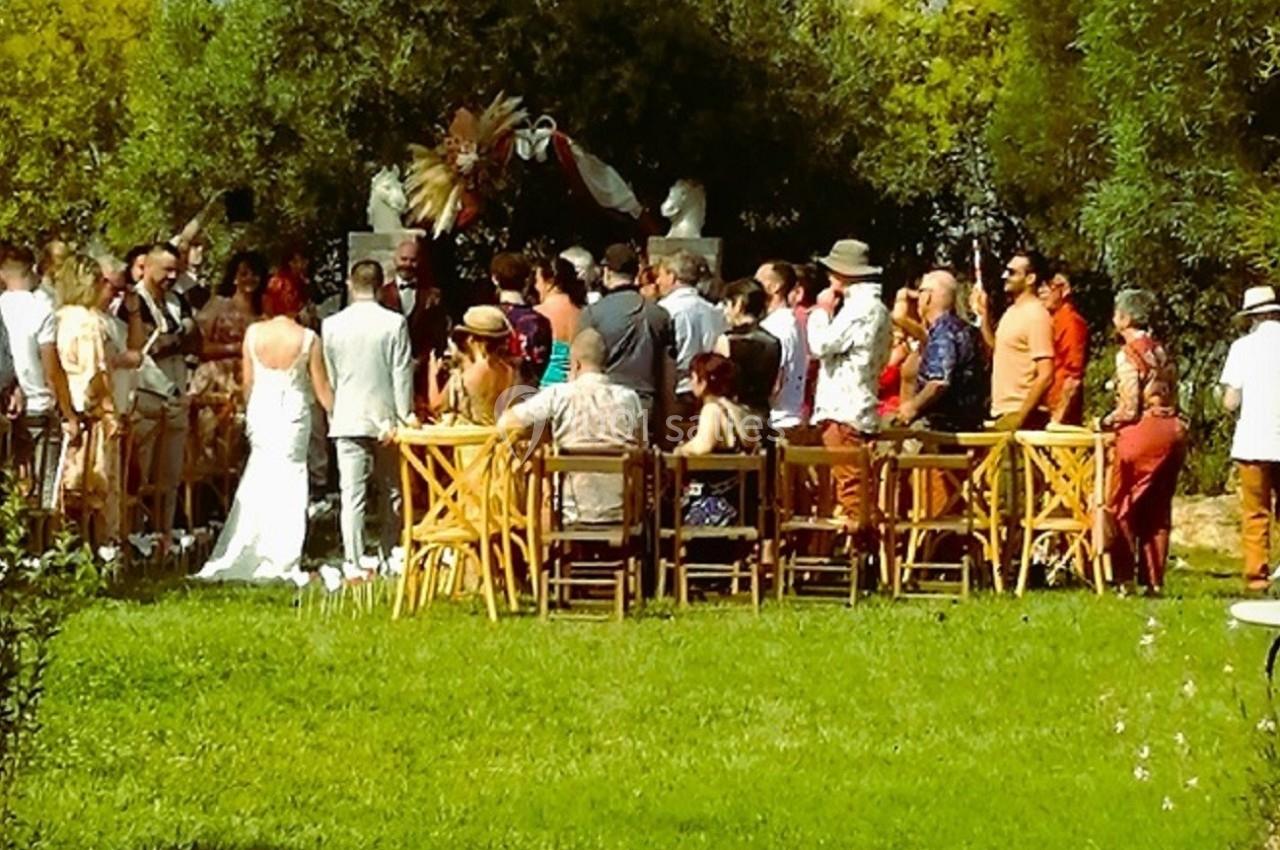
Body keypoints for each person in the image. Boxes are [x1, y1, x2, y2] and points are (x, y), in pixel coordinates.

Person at [195, 291, 334, 583]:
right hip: (293, 411)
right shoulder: (308, 338)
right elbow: (321, 387)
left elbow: (248, 383)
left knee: (259, 473)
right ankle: (282, 550)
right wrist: (338, 415)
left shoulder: (254, 333)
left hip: (263, 409)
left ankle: (254, 543)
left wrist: (250, 411)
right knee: (291, 475)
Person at [323, 260, 414, 578]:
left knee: (353, 494)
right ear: (381, 285)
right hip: (385, 416)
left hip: (347, 414)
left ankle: (354, 558)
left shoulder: (331, 325)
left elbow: (331, 374)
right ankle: (390, 552)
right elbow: (401, 374)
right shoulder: (394, 323)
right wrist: (404, 416)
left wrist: (336, 408)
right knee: (392, 490)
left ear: (350, 283)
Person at [498, 328, 645, 524]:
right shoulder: (630, 399)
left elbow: (505, 423)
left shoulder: (559, 395)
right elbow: (642, 449)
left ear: (575, 364)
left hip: (570, 513)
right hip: (622, 512)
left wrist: (543, 435)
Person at [1100, 289, 1186, 594]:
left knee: (1123, 505)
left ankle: (1123, 578)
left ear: (1124, 317)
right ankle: (1153, 580)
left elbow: (1129, 406)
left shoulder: (1128, 354)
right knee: (1157, 510)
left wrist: (1104, 421)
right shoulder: (1162, 351)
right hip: (1173, 429)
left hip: (1144, 432)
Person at [53, 256, 142, 546]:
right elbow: (96, 374)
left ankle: (66, 543)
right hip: (91, 412)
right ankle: (106, 545)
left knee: (67, 485)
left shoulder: (60, 317)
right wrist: (109, 412)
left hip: (69, 407)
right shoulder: (88, 322)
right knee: (101, 485)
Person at [121, 242, 201, 554]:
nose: (171, 276)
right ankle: (131, 538)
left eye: (175, 271)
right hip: (147, 394)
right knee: (137, 474)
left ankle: (165, 537)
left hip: (177, 393)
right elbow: (139, 351)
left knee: (170, 475)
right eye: (165, 270)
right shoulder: (132, 303)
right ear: (148, 266)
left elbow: (192, 340)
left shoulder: (177, 300)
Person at [807, 239, 891, 526]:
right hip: (857, 407)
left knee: (853, 493)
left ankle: (863, 560)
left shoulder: (861, 308)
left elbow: (821, 345)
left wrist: (821, 312)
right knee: (857, 488)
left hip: (844, 410)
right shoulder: (874, 307)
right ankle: (867, 558)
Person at [1, 244, 79, 509]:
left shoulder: (2, 305)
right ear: (32, 269)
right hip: (38, 405)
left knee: (12, 487)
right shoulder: (41, 308)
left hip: (9, 405)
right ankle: (40, 543)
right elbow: (51, 367)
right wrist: (68, 412)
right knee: (44, 490)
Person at [577, 243, 675, 435]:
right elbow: (668, 373)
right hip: (646, 407)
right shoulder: (659, 314)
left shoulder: (592, 314)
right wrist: (668, 420)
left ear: (606, 272)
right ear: (637, 272)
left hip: (602, 407)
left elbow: (579, 367)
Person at [1220, 284, 1280, 591]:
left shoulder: (1242, 348)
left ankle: (1258, 577)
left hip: (1254, 441)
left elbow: (1231, 401)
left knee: (1256, 512)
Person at [894, 270, 986, 432]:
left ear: (928, 297)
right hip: (964, 424)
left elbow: (938, 382)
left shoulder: (943, 331)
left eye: (920, 292)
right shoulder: (962, 328)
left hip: (944, 428)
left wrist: (912, 408)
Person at [978, 251, 1054, 431]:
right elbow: (999, 350)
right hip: (1002, 412)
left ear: (1030, 278)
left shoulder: (1036, 315)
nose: (1005, 276)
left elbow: (1046, 373)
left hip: (1023, 417)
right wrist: (984, 314)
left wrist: (1021, 415)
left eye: (1012, 272)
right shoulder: (1011, 312)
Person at [658, 250, 726, 430]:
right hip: (707, 390)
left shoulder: (664, 310)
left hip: (674, 391)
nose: (658, 282)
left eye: (661, 275)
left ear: (672, 277)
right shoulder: (713, 311)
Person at [428, 306, 517, 426]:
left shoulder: (465, 378)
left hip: (470, 441)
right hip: (496, 439)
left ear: (471, 339)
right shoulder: (508, 371)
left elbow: (437, 405)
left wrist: (432, 373)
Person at [714, 278, 781, 427]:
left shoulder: (728, 340)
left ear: (738, 304)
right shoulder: (773, 341)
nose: (724, 311)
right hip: (762, 415)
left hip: (734, 415)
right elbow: (776, 386)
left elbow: (718, 385)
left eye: (726, 304)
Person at [757, 260, 808, 433]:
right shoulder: (791, 323)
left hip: (778, 419)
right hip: (790, 415)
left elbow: (776, 378)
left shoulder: (776, 326)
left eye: (759, 281)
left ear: (775, 287)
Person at [491, 252, 552, 387]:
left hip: (493, 394)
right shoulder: (541, 322)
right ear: (526, 280)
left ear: (495, 279)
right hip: (529, 394)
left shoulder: (487, 318)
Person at [1039, 265, 1089, 426]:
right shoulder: (1052, 320)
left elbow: (1073, 375)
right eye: (1040, 286)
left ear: (1065, 289)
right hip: (1046, 408)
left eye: (1049, 286)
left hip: (1060, 415)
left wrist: (1057, 418)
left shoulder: (1070, 322)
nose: (1042, 291)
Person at [533, 256, 586, 387]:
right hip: (575, 386)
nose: (535, 286)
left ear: (550, 282)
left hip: (543, 388)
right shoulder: (585, 313)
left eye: (537, 281)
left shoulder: (537, 314)